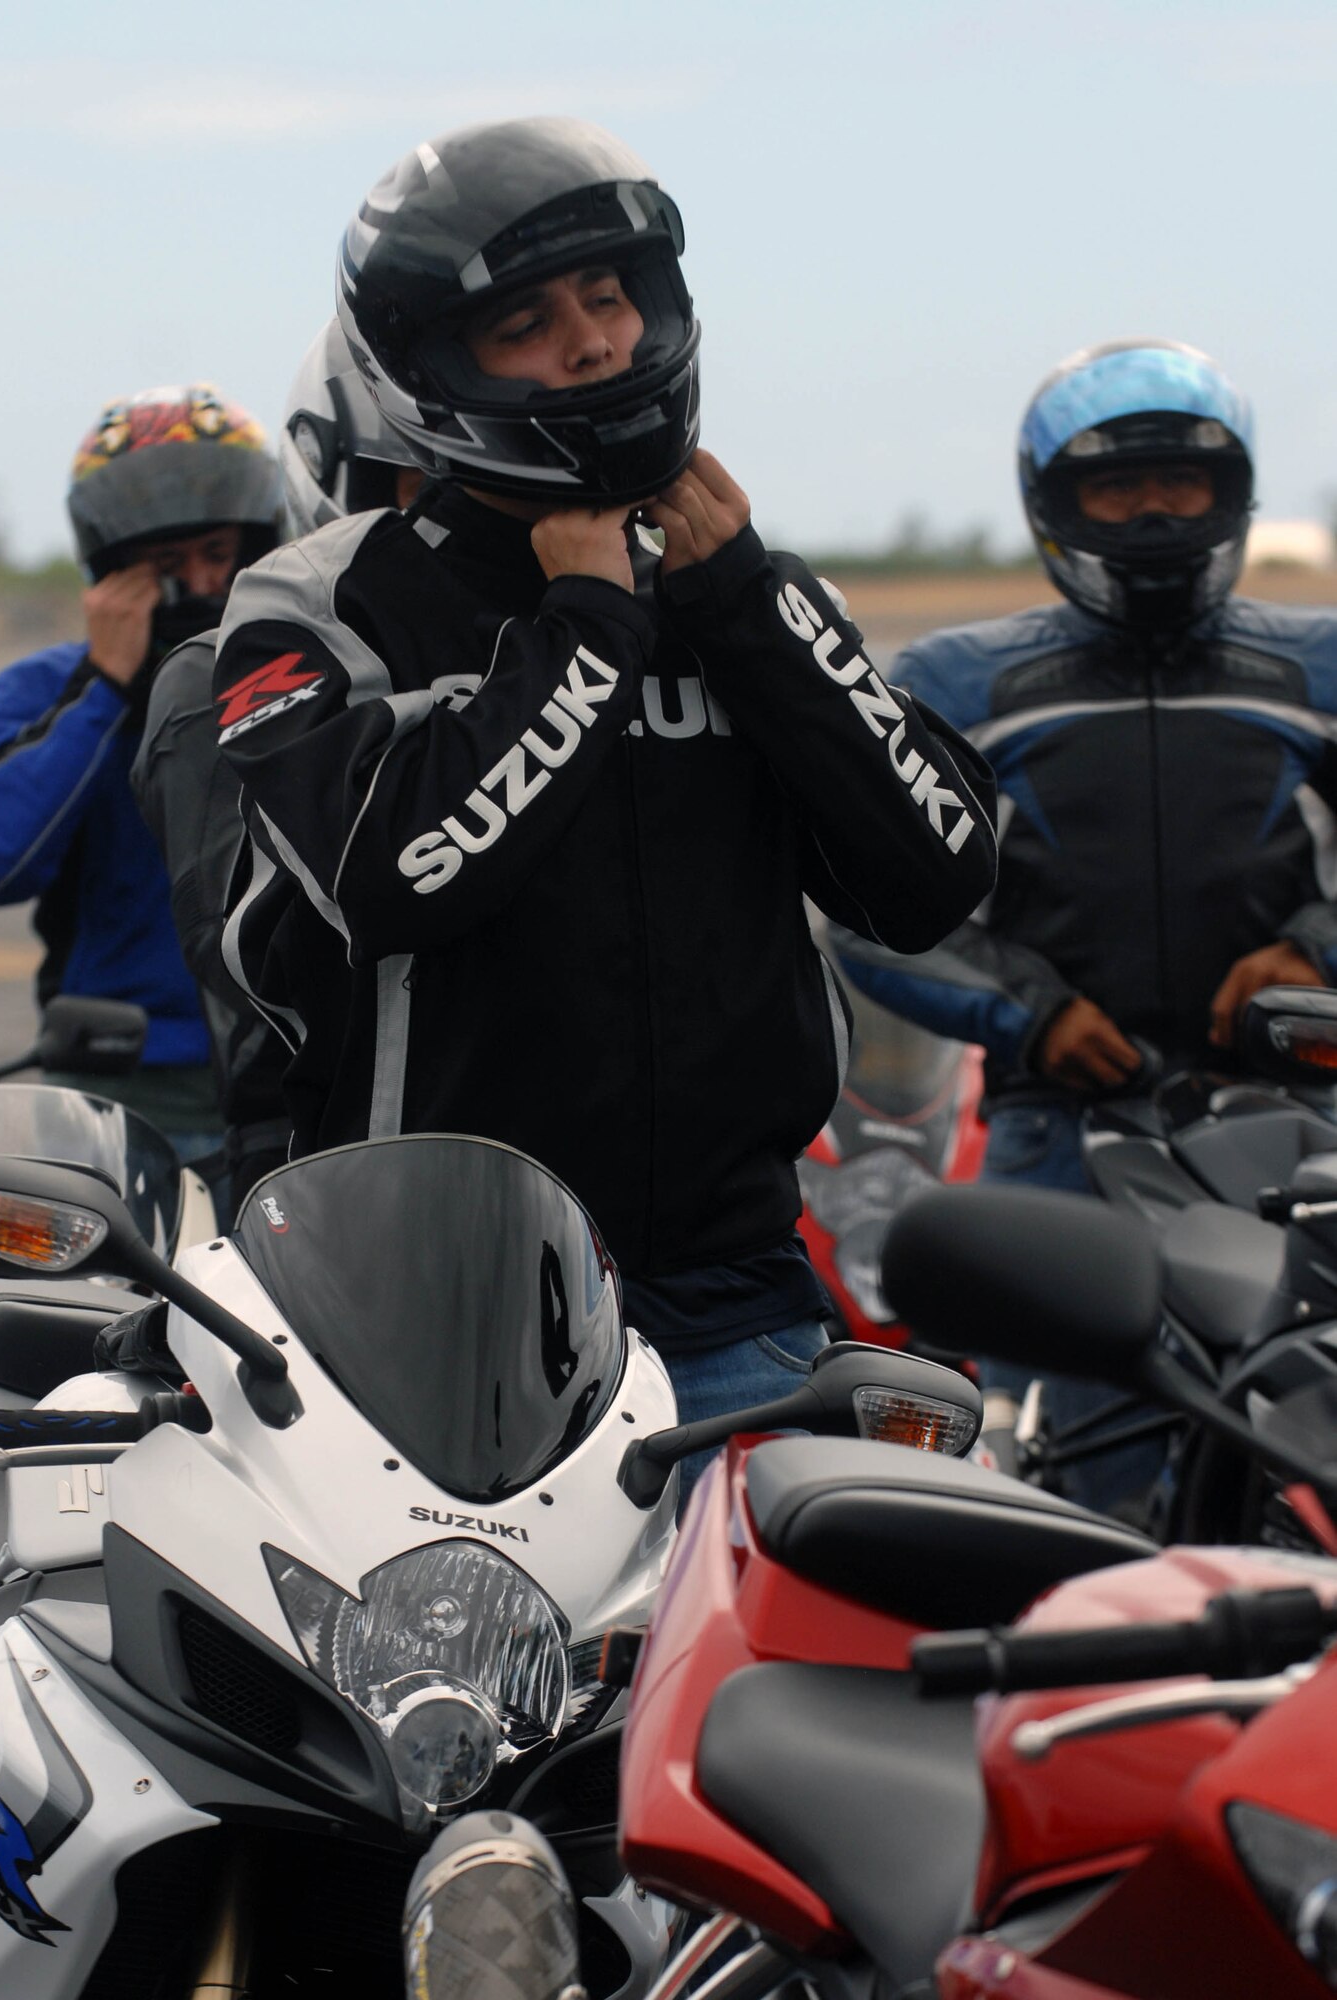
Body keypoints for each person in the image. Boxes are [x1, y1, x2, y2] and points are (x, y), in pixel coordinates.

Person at [210, 117, 997, 1474]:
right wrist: (584, 628)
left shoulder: (740, 590)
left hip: (740, 1308)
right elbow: (400, 877)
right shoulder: (323, 603)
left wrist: (745, 605)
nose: (592, 346)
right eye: (525, 324)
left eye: (609, 297)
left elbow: (940, 873)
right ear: (430, 366)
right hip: (432, 1327)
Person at [833, 338, 1337, 1507]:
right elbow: (865, 903)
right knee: (1065, 1491)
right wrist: (1030, 1013)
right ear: (1053, 504)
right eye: (1118, 487)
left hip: (1295, 1126)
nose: (1153, 512)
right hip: (1058, 1132)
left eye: (1181, 482)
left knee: (1306, 1461)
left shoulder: (1314, 664)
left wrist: (1310, 949)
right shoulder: (959, 682)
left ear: (1231, 494)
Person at [0, 384, 283, 1178]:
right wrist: (105, 688)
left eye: (217, 553)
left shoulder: (302, 671)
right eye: (166, 565)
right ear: (116, 571)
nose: (199, 582)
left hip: (290, 1072)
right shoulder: (48, 689)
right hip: (125, 1091)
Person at [132, 326, 423, 1210]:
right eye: (418, 485)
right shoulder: (212, 673)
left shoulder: (572, 641)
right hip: (308, 1150)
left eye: (215, 555)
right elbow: (237, 946)